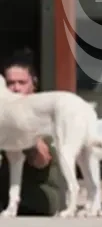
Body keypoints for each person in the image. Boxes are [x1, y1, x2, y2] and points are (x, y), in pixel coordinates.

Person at [0, 54, 69, 216]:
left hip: (42, 194)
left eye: (22, 83)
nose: (16, 88)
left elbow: (42, 160)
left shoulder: (44, 111)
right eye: (10, 83)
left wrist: (25, 135)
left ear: (34, 84)